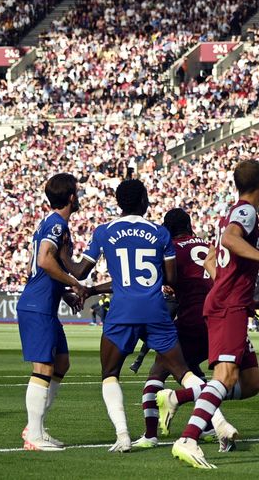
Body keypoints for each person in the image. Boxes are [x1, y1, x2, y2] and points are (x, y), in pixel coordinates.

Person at [68, 179, 215, 453]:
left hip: (122, 311)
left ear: (119, 203)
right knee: (184, 372)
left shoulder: (104, 232)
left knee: (110, 374)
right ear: (145, 201)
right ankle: (218, 422)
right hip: (155, 310)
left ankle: (123, 435)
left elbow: (79, 272)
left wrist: (62, 255)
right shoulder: (160, 233)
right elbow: (170, 278)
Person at [171, 160, 259, 469]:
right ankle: (188, 438)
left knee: (250, 382)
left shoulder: (230, 212)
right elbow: (229, 240)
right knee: (224, 377)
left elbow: (211, 258)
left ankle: (179, 398)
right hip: (228, 306)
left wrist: (230, 287)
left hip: (230, 302)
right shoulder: (246, 212)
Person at [133, 208, 259, 449]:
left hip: (194, 317)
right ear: (190, 226)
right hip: (226, 315)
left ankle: (151, 434)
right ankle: (210, 426)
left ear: (168, 231)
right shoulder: (210, 245)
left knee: (160, 370)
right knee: (249, 383)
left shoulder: (170, 249)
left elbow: (162, 281)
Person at [17, 173, 86, 451]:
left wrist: (64, 294)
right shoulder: (57, 225)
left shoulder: (49, 223)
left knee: (61, 363)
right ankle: (33, 433)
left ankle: (38, 428)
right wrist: (74, 283)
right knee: (44, 367)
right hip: (38, 306)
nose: (78, 197)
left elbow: (34, 267)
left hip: (44, 303)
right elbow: (45, 260)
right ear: (71, 197)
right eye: (77, 193)